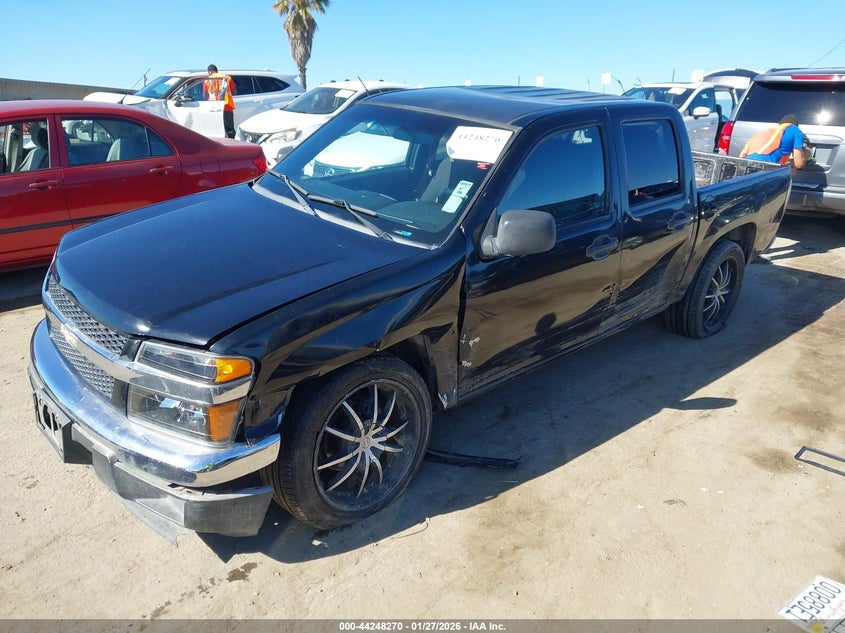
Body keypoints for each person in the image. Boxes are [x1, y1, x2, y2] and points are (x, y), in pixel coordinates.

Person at [740, 113, 807, 169]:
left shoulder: (767, 132)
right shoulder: (795, 130)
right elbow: (799, 164)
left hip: (745, 163)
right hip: (766, 167)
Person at [203, 64, 237, 138]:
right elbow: (235, 91)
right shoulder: (227, 78)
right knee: (229, 129)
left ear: (209, 72)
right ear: (217, 71)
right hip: (226, 105)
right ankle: (233, 144)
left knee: (216, 130)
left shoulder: (206, 80)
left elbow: (205, 95)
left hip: (213, 107)